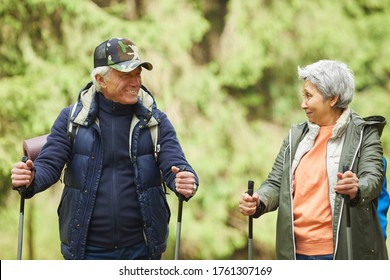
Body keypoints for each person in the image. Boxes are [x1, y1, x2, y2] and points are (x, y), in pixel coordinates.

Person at [11, 37, 199, 260]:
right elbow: (48, 166)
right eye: (125, 75)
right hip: (87, 252)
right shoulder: (72, 119)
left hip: (142, 250)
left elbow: (177, 166)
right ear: (101, 79)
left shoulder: (155, 121)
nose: (135, 82)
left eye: (138, 73)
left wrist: (186, 179)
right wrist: (30, 178)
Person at [239, 59, 388, 260]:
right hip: (294, 254)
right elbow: (276, 183)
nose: (303, 104)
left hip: (339, 254)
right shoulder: (296, 136)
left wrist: (357, 186)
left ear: (333, 98)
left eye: (309, 96)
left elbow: (374, 178)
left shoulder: (364, 134)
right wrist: (259, 200)